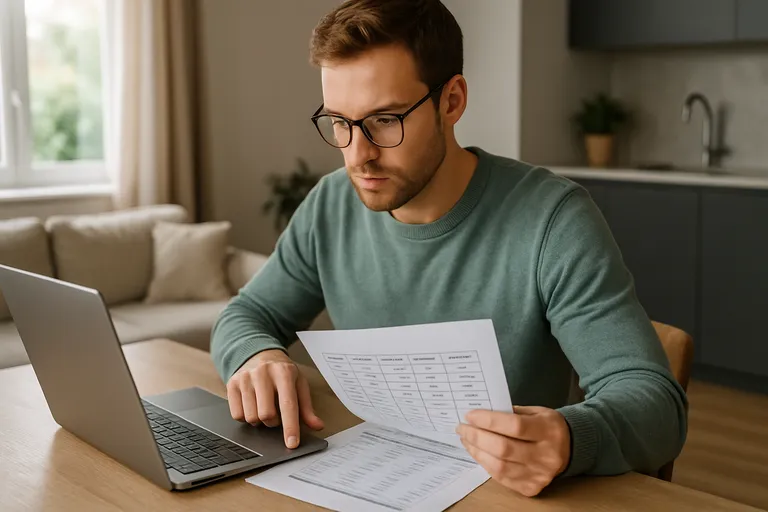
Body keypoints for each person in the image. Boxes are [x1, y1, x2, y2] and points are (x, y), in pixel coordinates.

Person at [211, 0, 688, 498]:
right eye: (339, 121)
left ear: (452, 101)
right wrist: (257, 357)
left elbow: (656, 406)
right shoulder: (330, 202)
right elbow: (248, 313)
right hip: (371, 481)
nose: (358, 154)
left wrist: (569, 438)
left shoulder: (552, 218)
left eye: (385, 120)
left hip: (501, 495)